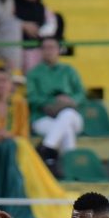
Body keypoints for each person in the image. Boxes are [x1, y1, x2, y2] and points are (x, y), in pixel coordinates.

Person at [25, 36, 85, 174]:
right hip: (43, 117)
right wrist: (53, 102)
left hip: (70, 114)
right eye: (45, 48)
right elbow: (32, 98)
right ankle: (71, 168)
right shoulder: (34, 73)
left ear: (59, 50)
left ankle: (47, 149)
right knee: (66, 130)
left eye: (52, 47)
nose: (48, 51)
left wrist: (70, 101)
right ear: (40, 51)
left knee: (67, 114)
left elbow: (81, 94)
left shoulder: (69, 71)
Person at [14, 0, 63, 73]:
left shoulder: (42, 7)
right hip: (21, 46)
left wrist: (40, 32)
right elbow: (8, 21)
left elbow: (51, 22)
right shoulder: (15, 7)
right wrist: (23, 25)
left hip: (38, 45)